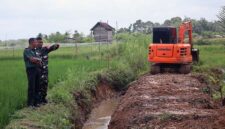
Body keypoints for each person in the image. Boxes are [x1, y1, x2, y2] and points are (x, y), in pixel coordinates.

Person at [36, 37, 60, 104]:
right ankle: (38, 101)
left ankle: (44, 99)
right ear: (36, 42)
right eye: (39, 42)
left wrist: (53, 45)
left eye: (41, 42)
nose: (40, 43)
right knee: (38, 86)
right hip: (38, 72)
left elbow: (56, 46)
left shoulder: (45, 49)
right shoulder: (34, 51)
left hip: (45, 71)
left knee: (45, 85)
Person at [23, 38, 42, 107]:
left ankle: (36, 103)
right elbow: (32, 60)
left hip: (37, 69)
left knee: (37, 86)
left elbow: (39, 60)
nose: (37, 43)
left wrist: (37, 60)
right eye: (35, 42)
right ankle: (30, 104)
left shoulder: (35, 51)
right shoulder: (27, 51)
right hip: (31, 70)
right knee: (32, 87)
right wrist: (38, 60)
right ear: (31, 43)